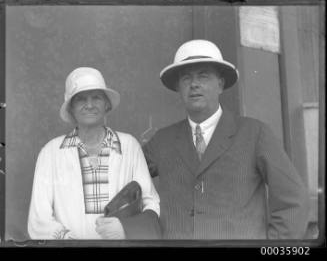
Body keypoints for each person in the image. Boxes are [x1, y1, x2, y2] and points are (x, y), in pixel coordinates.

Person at [143, 39, 310, 239]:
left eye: (203, 76)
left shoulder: (255, 133)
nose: (194, 84)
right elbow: (124, 175)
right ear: (178, 88)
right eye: (186, 78)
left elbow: (293, 201)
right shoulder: (162, 141)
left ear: (220, 84)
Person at [28, 67, 161, 240]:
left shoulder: (129, 146)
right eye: (81, 99)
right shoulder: (50, 153)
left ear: (107, 104)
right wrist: (69, 241)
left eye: (96, 97)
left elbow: (150, 202)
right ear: (71, 108)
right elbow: (39, 220)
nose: (89, 105)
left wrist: (126, 229)